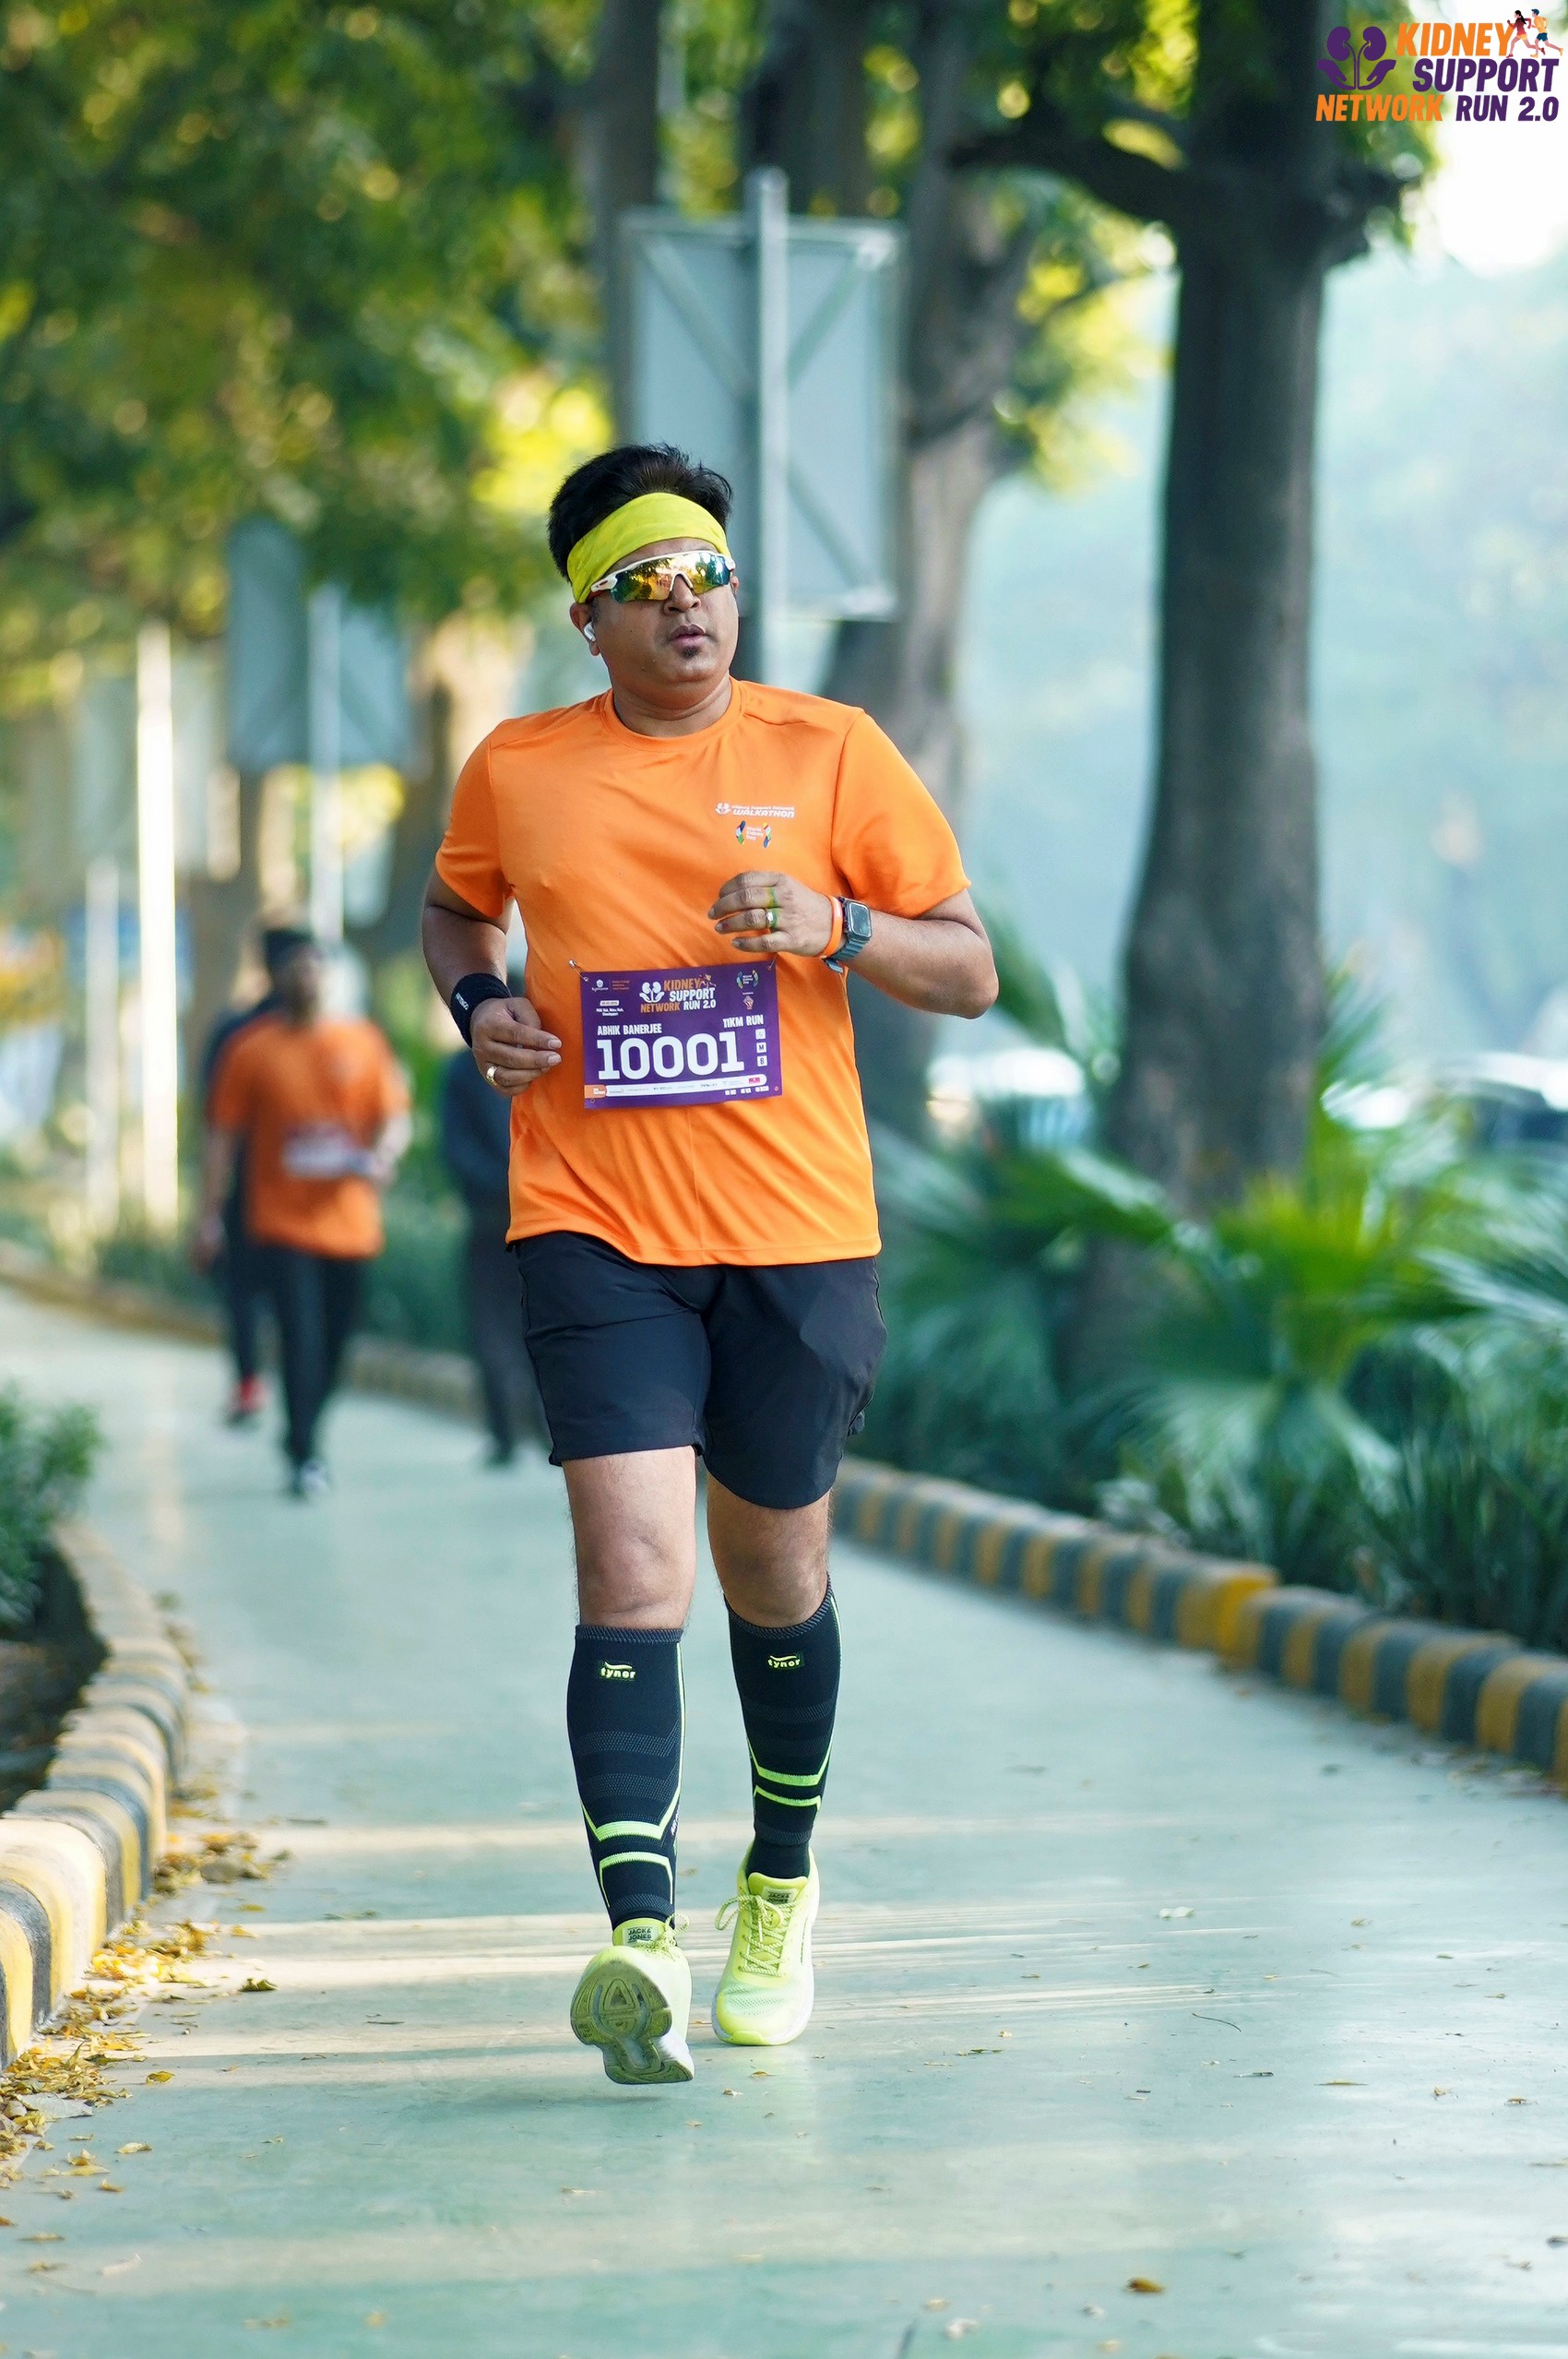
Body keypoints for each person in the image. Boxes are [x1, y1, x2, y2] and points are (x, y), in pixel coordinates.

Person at [422, 441, 996, 2087]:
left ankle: (779, 1886)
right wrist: (481, 1007)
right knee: (631, 1573)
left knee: (775, 1578)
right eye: (647, 584)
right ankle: (637, 1939)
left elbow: (970, 969)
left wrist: (835, 926)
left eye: (710, 577)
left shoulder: (833, 750)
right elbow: (457, 916)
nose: (689, 607)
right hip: (593, 1222)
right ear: (587, 619)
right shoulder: (519, 767)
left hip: (798, 1235)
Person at [194, 931, 410, 1498]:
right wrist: (209, 1217)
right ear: (277, 979)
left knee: (336, 1343)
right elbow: (222, 1137)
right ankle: (305, 1450)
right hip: (281, 1224)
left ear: (328, 976)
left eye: (314, 967)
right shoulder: (250, 1050)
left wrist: (385, 1154)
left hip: (351, 1225)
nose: (305, 978)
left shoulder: (362, 1041)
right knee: (300, 1338)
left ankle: (305, 1430)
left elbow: (393, 1116)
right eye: (294, 968)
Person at [197, 928, 294, 1424]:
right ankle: (272, 1387)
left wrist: (209, 1211)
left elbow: (213, 1124)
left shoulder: (233, 1030)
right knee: (274, 1293)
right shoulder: (244, 1037)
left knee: (242, 1291)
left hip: (250, 1186)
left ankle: (250, 1382)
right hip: (281, 1191)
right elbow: (219, 1123)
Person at [440, 1038, 546, 1464]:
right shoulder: (548, 1052)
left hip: (508, 1214)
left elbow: (456, 1149)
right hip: (525, 1215)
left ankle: (511, 1432)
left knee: (498, 1325)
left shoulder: (463, 1067)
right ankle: (532, 1429)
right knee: (526, 1321)